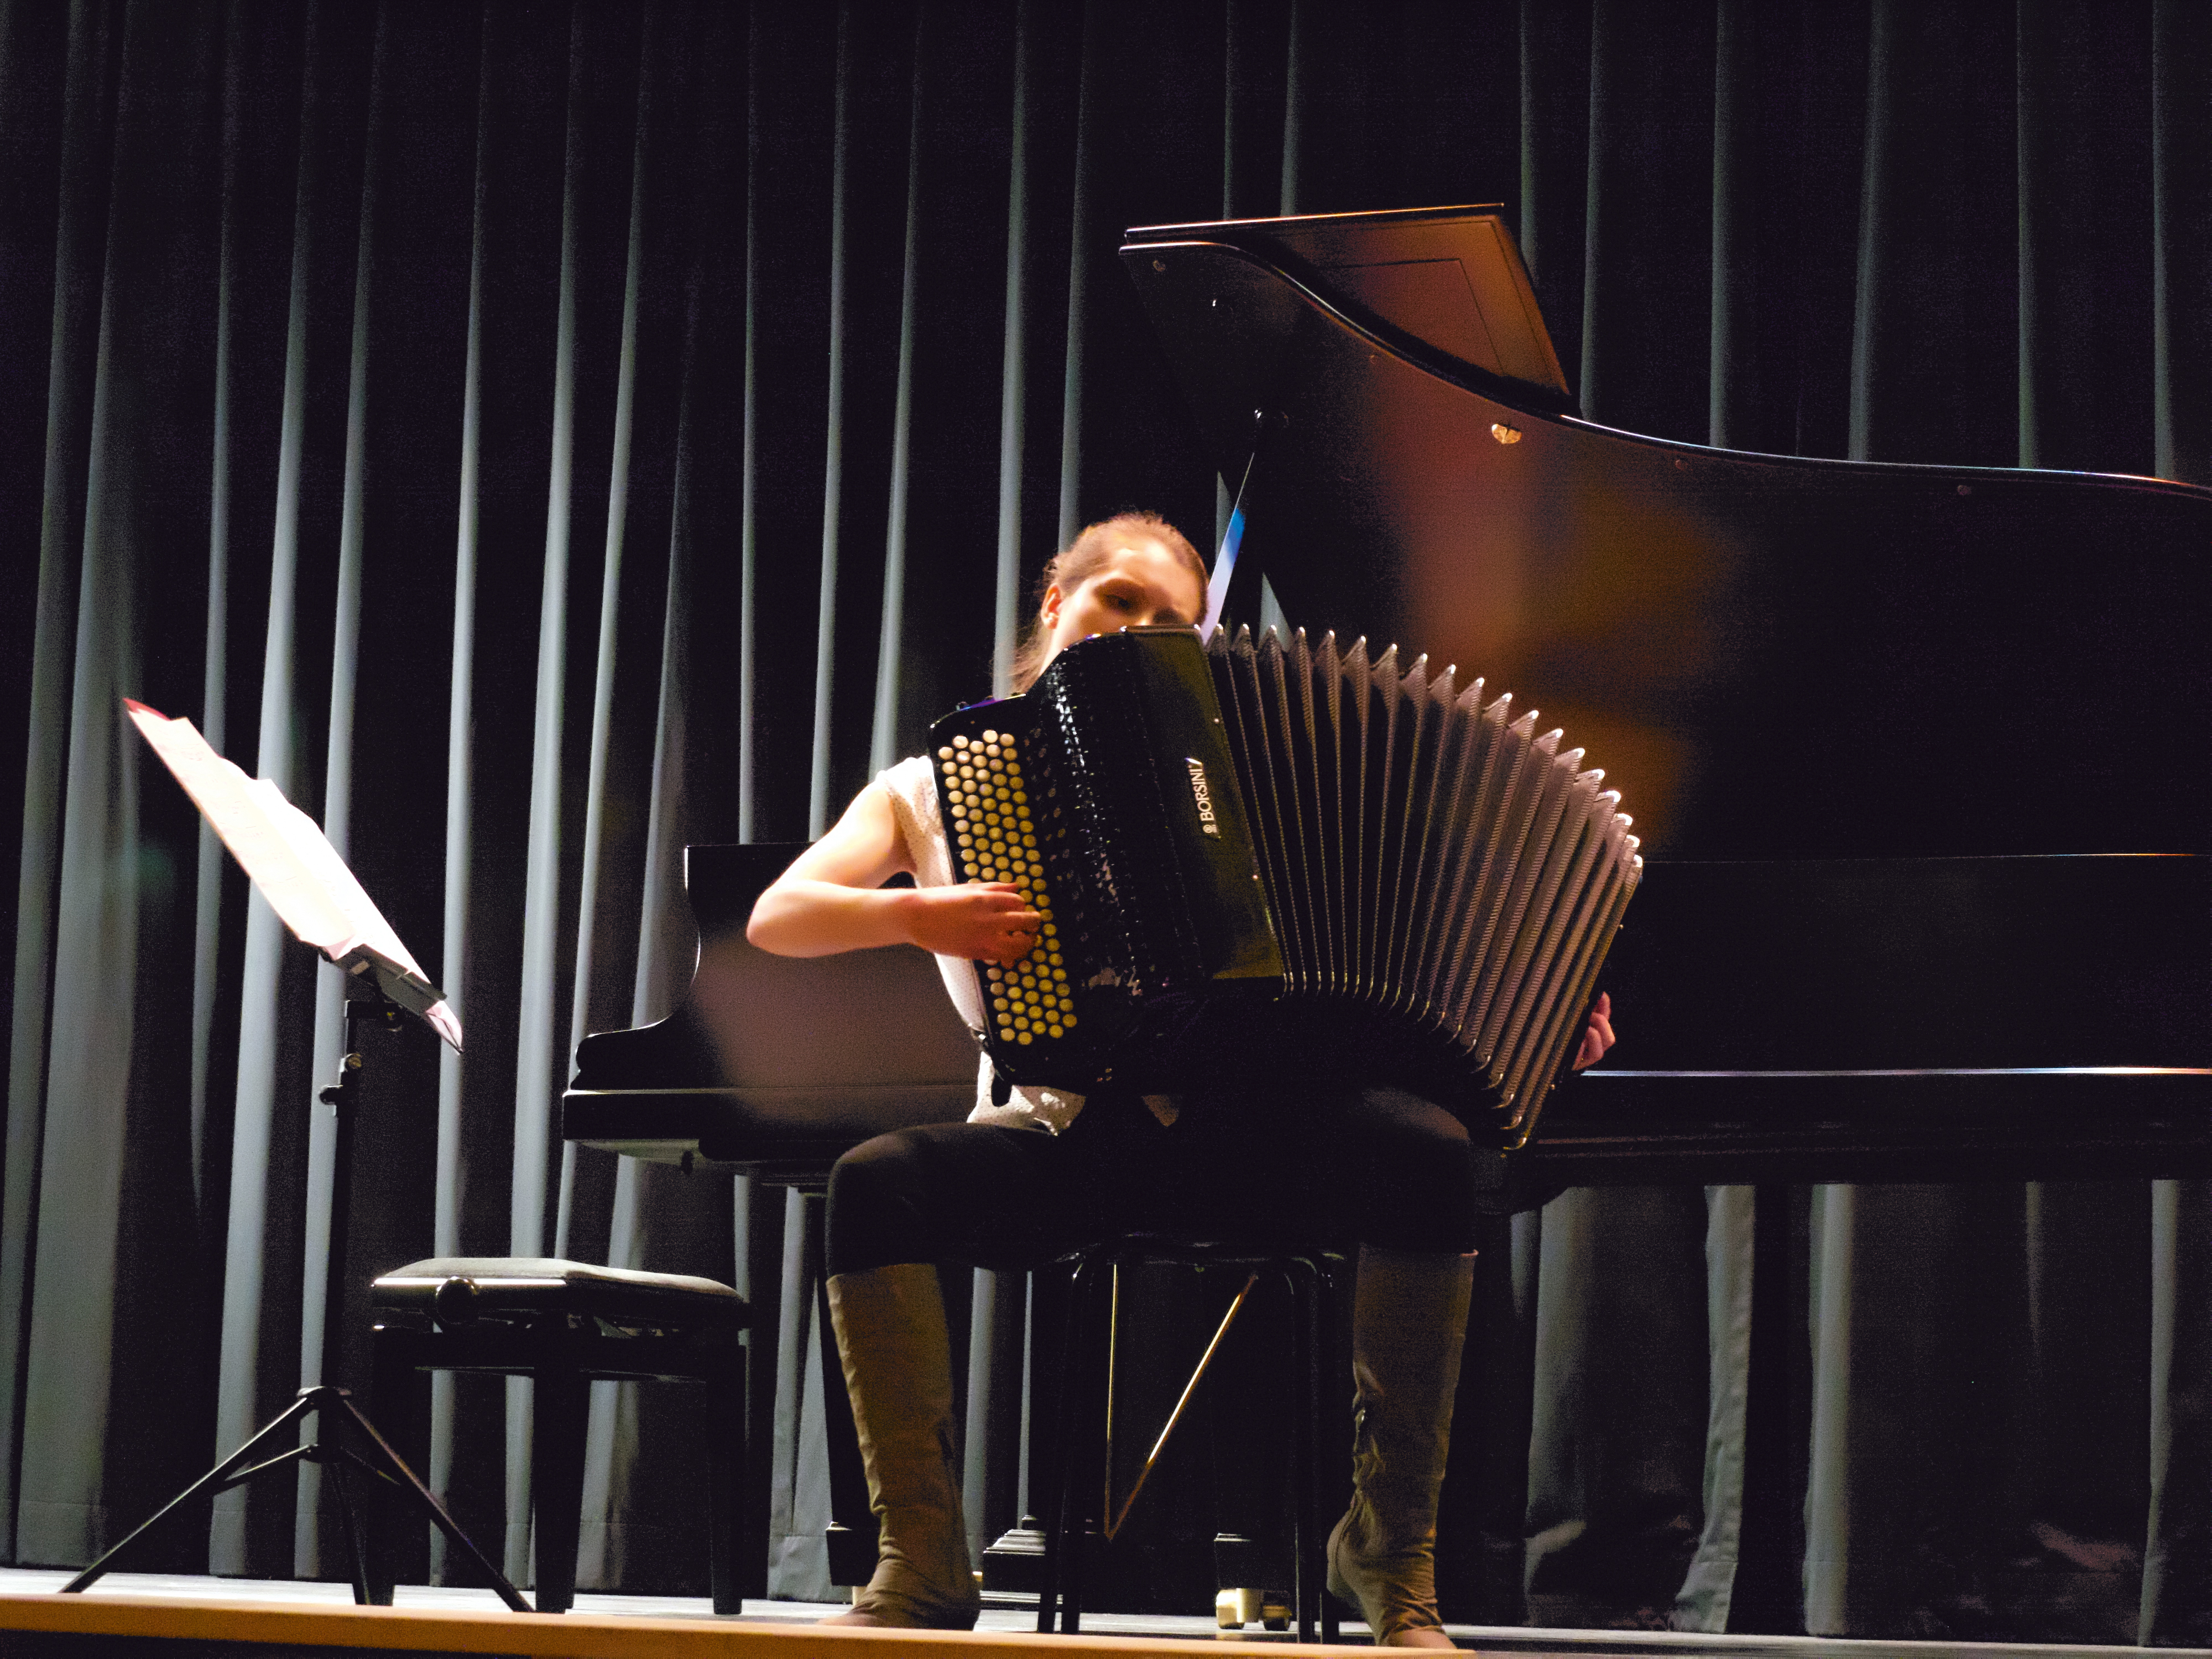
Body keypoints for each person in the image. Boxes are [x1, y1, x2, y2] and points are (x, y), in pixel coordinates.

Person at [748, 511, 1615, 1642]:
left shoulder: (1241, 779)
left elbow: (1402, 922)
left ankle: (1389, 1558)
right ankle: (920, 1563)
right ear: (1056, 604)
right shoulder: (933, 788)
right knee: (874, 1181)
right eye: (1121, 601)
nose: (1143, 629)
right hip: (1060, 1139)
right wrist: (919, 911)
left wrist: (1538, 1017)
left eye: (1174, 620)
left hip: (1241, 1139)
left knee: (1423, 1150)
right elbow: (779, 917)